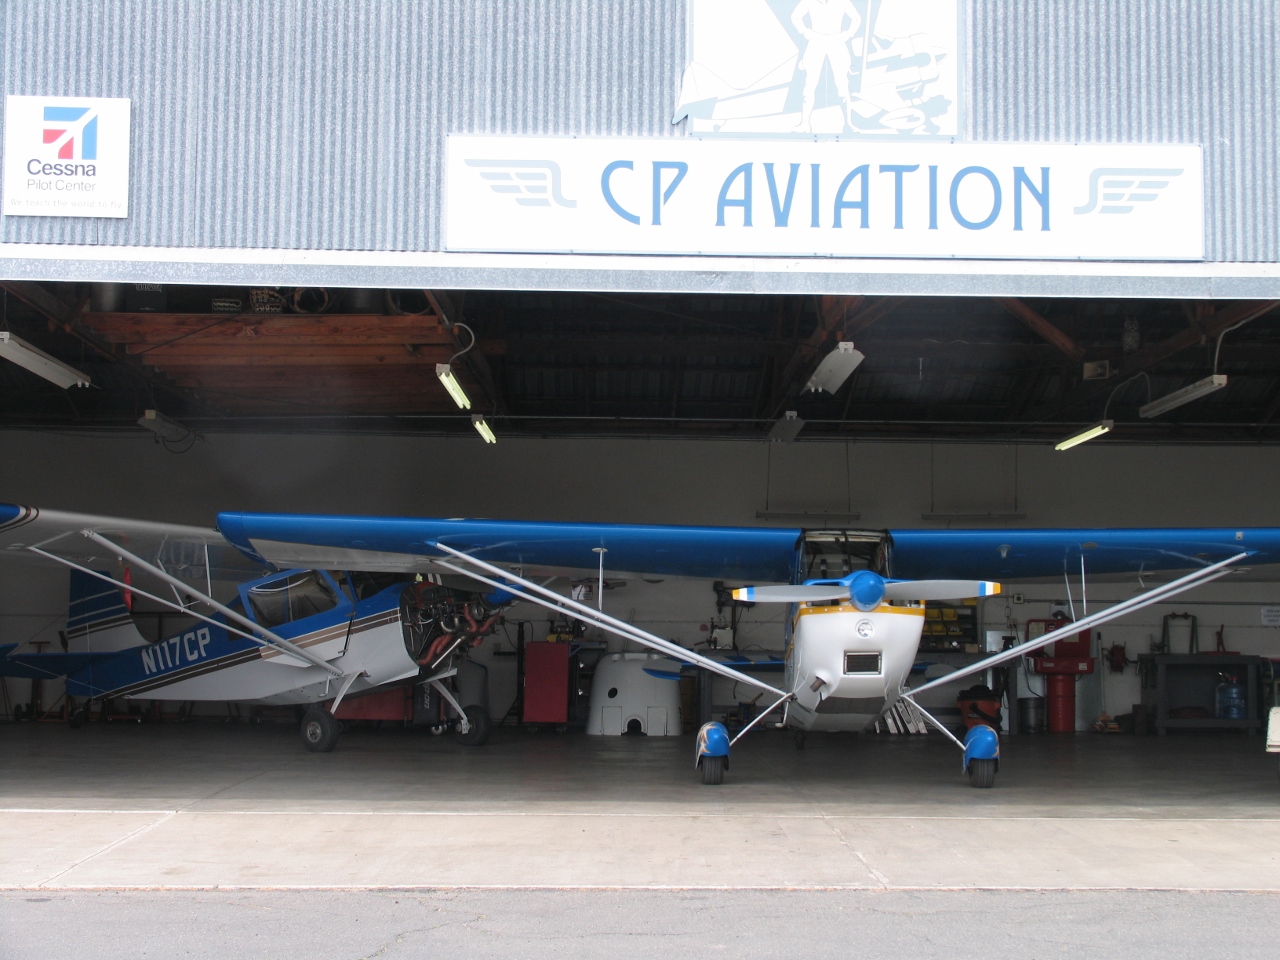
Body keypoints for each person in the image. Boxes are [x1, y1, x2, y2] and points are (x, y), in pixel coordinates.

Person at [790, 0, 861, 131]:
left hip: (837, 40)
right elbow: (795, 16)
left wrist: (847, 35)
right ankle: (805, 123)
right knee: (810, 84)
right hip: (816, 40)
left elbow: (857, 18)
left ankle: (848, 124)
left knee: (842, 84)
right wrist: (805, 32)